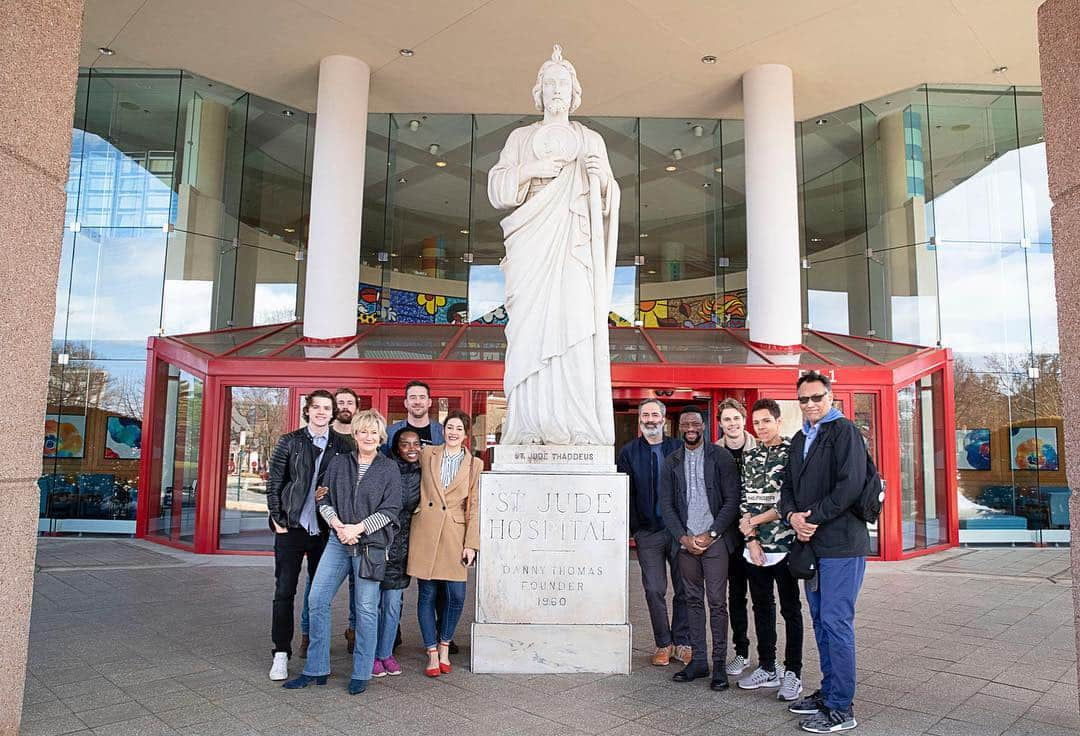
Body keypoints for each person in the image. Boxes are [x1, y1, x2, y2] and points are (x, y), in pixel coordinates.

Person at [283, 409, 402, 695]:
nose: (368, 437)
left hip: (369, 545)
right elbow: (322, 498)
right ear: (355, 434)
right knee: (317, 599)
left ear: (380, 436)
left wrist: (357, 529)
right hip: (338, 541)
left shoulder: (388, 468)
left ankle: (362, 672)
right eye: (363, 431)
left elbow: (391, 509)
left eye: (374, 432)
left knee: (365, 609)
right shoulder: (339, 464)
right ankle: (316, 668)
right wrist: (338, 526)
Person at [779, 371, 870, 733]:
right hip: (811, 543)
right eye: (804, 399)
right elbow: (786, 485)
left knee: (836, 621)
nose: (811, 404)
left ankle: (841, 708)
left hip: (842, 544)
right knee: (820, 621)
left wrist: (811, 517)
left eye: (817, 397)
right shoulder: (801, 437)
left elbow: (849, 486)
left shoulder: (844, 431)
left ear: (830, 397)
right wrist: (791, 516)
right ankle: (828, 691)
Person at [265, 390, 352, 681]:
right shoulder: (290, 441)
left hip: (324, 530)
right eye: (317, 407)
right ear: (308, 410)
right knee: (284, 591)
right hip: (291, 527)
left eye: (327, 408)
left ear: (333, 412)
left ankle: (317, 653)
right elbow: (275, 481)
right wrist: (277, 519)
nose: (322, 412)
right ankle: (280, 652)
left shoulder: (343, 445)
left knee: (319, 595)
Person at [659, 407, 741, 691]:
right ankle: (699, 661)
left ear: (704, 425)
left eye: (695, 422)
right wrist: (683, 538)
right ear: (679, 427)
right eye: (685, 423)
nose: (690, 427)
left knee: (717, 603)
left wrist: (712, 533)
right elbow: (667, 505)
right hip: (686, 544)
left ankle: (719, 666)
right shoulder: (672, 461)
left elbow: (732, 500)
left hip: (715, 542)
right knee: (691, 600)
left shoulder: (720, 457)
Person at [735, 398, 804, 703]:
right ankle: (767, 666)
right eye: (757, 422)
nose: (761, 427)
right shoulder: (750, 456)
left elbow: (789, 502)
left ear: (778, 421)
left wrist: (755, 522)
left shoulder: (792, 454)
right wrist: (750, 538)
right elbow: (744, 499)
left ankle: (793, 673)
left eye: (766, 421)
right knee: (761, 608)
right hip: (756, 549)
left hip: (785, 546)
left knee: (790, 610)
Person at [407, 409, 483, 677]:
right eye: (449, 427)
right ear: (443, 430)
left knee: (457, 595)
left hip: (454, 533)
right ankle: (431, 652)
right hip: (426, 529)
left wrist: (471, 544)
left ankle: (445, 645)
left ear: (465, 434)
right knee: (427, 593)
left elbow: (473, 505)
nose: (453, 433)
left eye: (458, 429)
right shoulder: (428, 454)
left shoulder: (475, 464)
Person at [616, 398, 691, 667]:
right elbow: (626, 492)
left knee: (684, 587)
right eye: (645, 415)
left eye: (654, 415)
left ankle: (682, 642)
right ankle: (663, 643)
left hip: (678, 532)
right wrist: (635, 526)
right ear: (640, 420)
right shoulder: (629, 452)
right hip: (648, 533)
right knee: (654, 589)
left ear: (663, 419)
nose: (650, 419)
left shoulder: (678, 448)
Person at [372, 427, 423, 677]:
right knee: (371, 604)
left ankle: (385, 653)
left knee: (393, 604)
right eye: (405, 444)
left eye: (416, 444)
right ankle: (369, 654)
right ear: (396, 447)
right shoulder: (383, 468)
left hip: (402, 548)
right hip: (378, 543)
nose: (412, 448)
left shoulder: (423, 473)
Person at [715, 397, 756, 679]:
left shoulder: (760, 447)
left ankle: (770, 659)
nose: (732, 423)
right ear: (720, 423)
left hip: (759, 533)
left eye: (736, 418)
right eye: (727, 419)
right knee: (736, 597)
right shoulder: (713, 452)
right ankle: (741, 652)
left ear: (744, 420)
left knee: (765, 598)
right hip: (730, 536)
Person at [383, 380, 444, 453]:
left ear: (429, 402)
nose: (417, 402)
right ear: (405, 403)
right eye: (413, 397)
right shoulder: (390, 432)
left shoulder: (442, 432)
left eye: (422, 397)